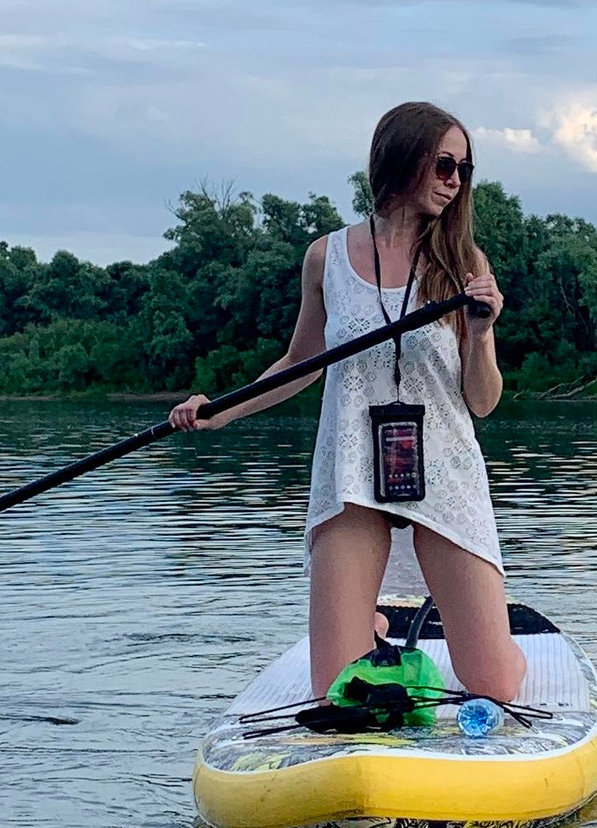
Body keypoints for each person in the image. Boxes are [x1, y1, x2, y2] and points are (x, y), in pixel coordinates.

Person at [168, 103, 526, 706]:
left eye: (464, 169)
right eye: (443, 164)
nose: (454, 181)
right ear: (400, 157)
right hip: (354, 471)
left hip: (444, 471)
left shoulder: (465, 265)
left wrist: (483, 330)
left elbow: (483, 403)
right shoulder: (325, 257)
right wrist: (221, 410)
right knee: (337, 693)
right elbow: (299, 363)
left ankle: (414, 629)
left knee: (492, 683)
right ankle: (369, 627)